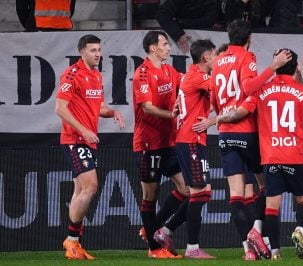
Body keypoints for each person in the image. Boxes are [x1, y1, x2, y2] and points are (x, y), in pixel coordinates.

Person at [217, 49, 303, 259]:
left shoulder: (261, 90)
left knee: (272, 207)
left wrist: (216, 119)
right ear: (295, 68)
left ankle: (275, 252)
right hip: (297, 155)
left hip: (271, 156)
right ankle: (300, 230)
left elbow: (238, 113)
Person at [210, 19, 291, 260]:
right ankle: (257, 229)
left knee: (236, 194)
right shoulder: (248, 56)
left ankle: (247, 250)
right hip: (246, 130)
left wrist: (223, 116)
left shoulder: (217, 62)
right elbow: (248, 87)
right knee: (267, 185)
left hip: (224, 131)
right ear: (249, 38)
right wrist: (272, 67)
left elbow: (214, 100)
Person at [55, 34, 125, 260]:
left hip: (88, 140)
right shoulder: (72, 74)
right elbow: (60, 108)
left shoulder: (95, 75)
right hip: (75, 139)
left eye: (99, 50)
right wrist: (82, 129)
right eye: (93, 50)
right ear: (82, 52)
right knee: (90, 187)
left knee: (80, 191)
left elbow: (99, 106)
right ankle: (72, 240)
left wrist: (112, 111)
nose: (98, 54)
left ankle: (74, 242)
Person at [132, 30, 189, 259]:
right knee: (150, 195)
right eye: (164, 44)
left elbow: (185, 82)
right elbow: (146, 107)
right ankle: (154, 249)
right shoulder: (142, 74)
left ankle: (152, 229)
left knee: (187, 189)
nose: (168, 47)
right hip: (149, 143)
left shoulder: (169, 70)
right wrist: (171, 114)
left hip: (169, 142)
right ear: (153, 48)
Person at [173, 39, 217, 259]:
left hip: (193, 139)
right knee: (199, 192)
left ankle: (166, 230)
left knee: (203, 191)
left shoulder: (190, 76)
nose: (217, 59)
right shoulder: (199, 77)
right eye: (215, 55)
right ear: (206, 57)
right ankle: (192, 248)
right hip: (190, 139)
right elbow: (221, 89)